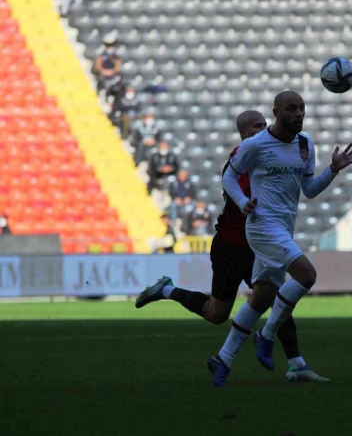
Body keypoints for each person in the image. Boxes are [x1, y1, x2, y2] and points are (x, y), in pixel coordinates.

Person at [134, 110, 327, 385]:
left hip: (256, 244)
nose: (263, 130)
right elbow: (237, 183)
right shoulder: (245, 157)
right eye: (256, 127)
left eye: (264, 125)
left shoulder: (268, 150)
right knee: (217, 314)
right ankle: (167, 289)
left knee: (275, 298)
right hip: (231, 244)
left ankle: (296, 363)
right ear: (243, 133)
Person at [214, 91, 352, 381]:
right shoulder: (255, 145)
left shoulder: (305, 145)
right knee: (306, 275)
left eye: (302, 108)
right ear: (276, 113)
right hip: (261, 225)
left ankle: (223, 359)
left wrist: (333, 170)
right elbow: (228, 177)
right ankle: (266, 336)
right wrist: (244, 202)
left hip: (284, 226)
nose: (299, 114)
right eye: (292, 109)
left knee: (261, 297)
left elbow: (310, 190)